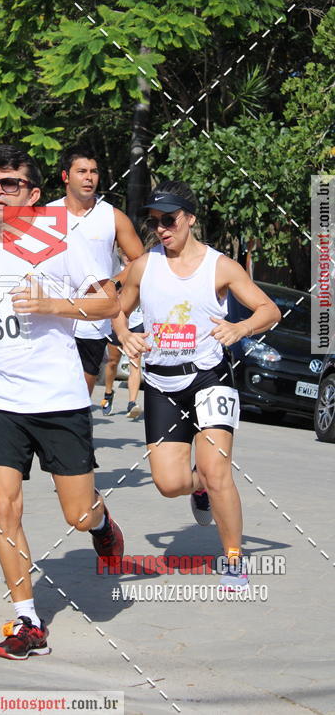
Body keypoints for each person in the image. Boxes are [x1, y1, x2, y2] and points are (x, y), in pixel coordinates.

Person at [0, 145, 124, 659]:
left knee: (77, 514)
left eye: (11, 183)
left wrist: (51, 304)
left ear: (34, 193)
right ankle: (27, 621)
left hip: (59, 396)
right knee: (4, 507)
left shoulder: (63, 239)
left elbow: (109, 301)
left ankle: (104, 525)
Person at [114, 180, 281, 590]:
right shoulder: (144, 265)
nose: (162, 229)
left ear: (190, 218)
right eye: (155, 222)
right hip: (161, 382)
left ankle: (234, 559)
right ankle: (199, 487)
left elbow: (269, 310)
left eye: (169, 220)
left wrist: (241, 327)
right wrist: (124, 335)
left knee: (216, 468)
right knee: (169, 483)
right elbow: (113, 307)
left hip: (209, 377)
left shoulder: (220, 266)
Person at [49, 145, 144, 396]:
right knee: (49, 389)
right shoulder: (46, 215)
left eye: (93, 171)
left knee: (81, 393)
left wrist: (112, 282)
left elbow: (139, 260)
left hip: (92, 319)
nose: (89, 177)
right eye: (81, 171)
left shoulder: (111, 216)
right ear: (65, 177)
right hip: (52, 316)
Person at [102, 307, 144, 418]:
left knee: (135, 365)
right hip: (118, 322)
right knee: (112, 362)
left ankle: (132, 403)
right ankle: (108, 394)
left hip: (137, 324)